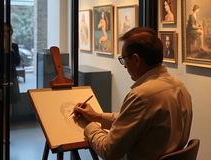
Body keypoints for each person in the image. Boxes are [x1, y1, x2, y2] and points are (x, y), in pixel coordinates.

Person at [73, 27, 192, 160]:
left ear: (136, 59)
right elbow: (132, 121)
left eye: (123, 59)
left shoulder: (142, 96)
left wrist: (88, 125)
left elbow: (108, 151)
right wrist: (97, 117)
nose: (124, 66)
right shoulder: (180, 86)